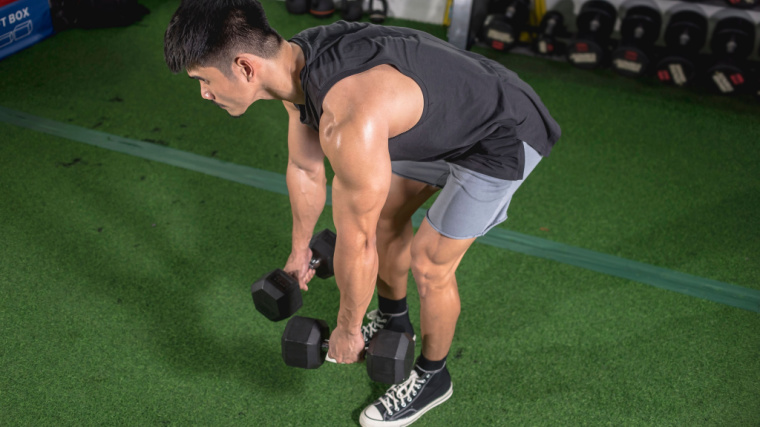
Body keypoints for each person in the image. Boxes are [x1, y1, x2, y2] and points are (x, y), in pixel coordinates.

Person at [164, 1, 561, 425]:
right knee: (390, 214)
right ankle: (394, 320)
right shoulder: (292, 66)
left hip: (501, 133)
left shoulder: (349, 116)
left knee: (428, 263)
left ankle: (432, 376)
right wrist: (299, 253)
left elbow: (358, 239)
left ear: (245, 67)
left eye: (204, 80)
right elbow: (305, 168)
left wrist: (348, 330)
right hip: (450, 114)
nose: (204, 93)